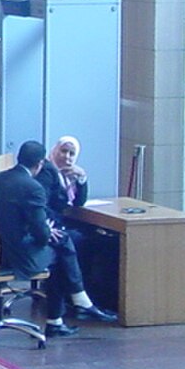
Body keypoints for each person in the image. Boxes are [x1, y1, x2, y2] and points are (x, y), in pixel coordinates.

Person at [0, 140, 116, 336]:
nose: (67, 156)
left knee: (63, 242)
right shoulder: (33, 187)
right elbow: (41, 236)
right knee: (61, 250)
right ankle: (75, 302)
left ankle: (60, 317)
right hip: (19, 257)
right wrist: (48, 232)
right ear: (41, 162)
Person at [39, 135, 120, 323]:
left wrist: (81, 179)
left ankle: (85, 296)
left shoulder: (68, 174)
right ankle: (79, 296)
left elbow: (78, 202)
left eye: (71, 153)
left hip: (63, 223)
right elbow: (42, 205)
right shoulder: (47, 172)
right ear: (54, 150)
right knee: (82, 242)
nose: (67, 157)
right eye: (63, 151)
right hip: (51, 227)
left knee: (99, 240)